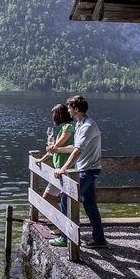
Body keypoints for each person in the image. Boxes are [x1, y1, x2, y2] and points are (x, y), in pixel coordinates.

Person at [50, 95, 107, 249]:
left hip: (87, 170)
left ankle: (65, 236)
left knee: (65, 197)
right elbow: (74, 147)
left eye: (69, 107)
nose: (67, 110)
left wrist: (63, 169)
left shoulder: (88, 126)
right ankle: (99, 239)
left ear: (76, 109)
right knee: (89, 204)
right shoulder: (80, 124)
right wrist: (57, 149)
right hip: (88, 169)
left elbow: (77, 151)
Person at [34, 104, 75, 246]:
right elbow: (53, 150)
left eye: (54, 115)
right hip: (59, 169)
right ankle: (62, 227)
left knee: (49, 198)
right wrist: (41, 159)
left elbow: (55, 147)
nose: (53, 118)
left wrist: (51, 146)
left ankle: (63, 228)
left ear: (59, 114)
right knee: (54, 199)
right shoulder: (64, 128)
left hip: (64, 170)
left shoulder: (69, 128)